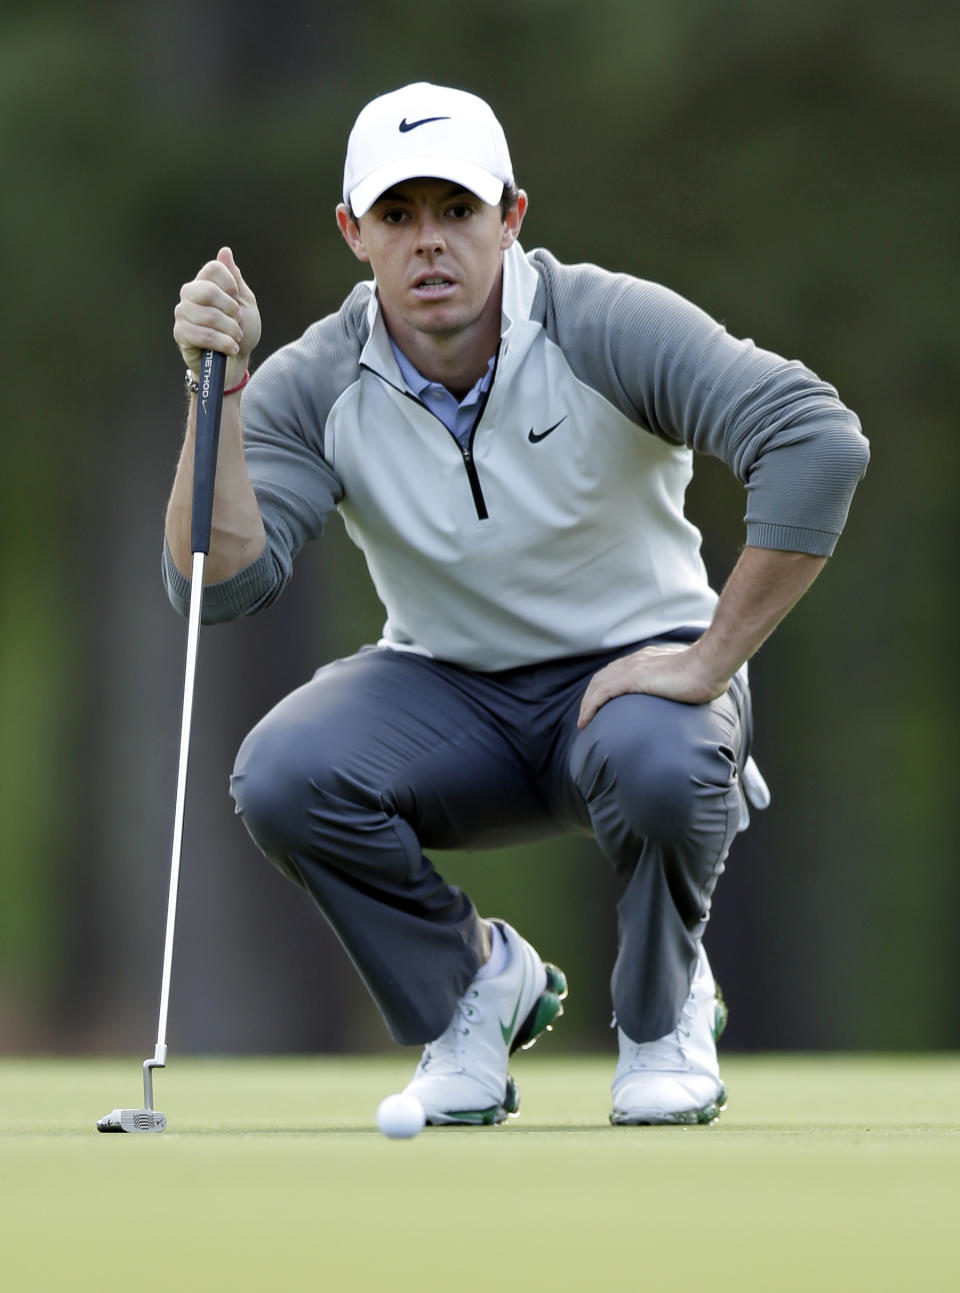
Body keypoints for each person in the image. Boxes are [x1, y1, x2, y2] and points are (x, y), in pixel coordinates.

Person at [166, 82, 868, 1126]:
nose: (430, 244)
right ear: (353, 233)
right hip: (448, 696)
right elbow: (214, 586)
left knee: (662, 760)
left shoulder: (604, 325)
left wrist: (712, 658)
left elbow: (815, 440)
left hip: (638, 683)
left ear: (513, 217)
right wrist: (214, 395)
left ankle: (663, 1013)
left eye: (458, 211)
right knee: (283, 773)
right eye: (398, 217)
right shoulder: (320, 379)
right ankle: (474, 991)